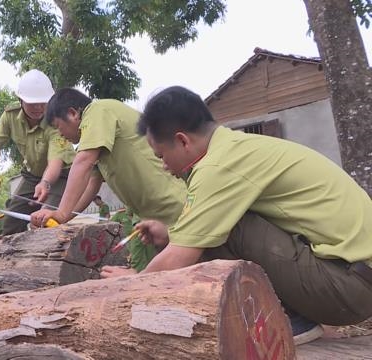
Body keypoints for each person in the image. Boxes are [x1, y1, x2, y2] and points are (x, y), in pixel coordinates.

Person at [114, 85, 372, 345]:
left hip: (349, 289)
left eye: (162, 155)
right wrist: (170, 233)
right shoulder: (237, 149)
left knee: (227, 227)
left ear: (183, 140)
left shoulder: (218, 166)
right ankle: (296, 316)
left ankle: (291, 320)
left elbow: (181, 256)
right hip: (352, 279)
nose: (164, 166)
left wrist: (132, 284)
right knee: (217, 225)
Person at [29, 87, 187, 271]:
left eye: (58, 127)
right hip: (156, 219)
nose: (61, 134)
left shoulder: (98, 111)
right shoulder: (98, 139)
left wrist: (61, 213)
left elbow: (82, 162)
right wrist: (62, 218)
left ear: (72, 113)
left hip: (174, 206)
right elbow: (91, 185)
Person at [0, 69, 75, 235]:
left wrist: (45, 183)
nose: (39, 108)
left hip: (62, 176)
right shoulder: (9, 116)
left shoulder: (56, 121)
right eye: (32, 103)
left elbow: (55, 162)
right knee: (10, 224)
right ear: (20, 100)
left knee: (45, 221)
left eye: (43, 103)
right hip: (32, 177)